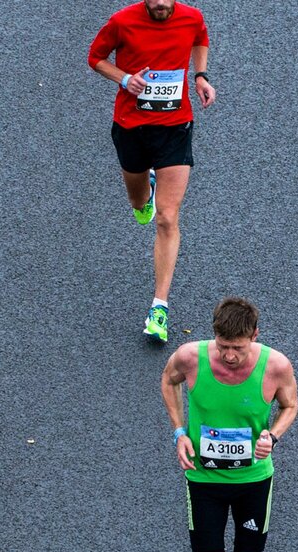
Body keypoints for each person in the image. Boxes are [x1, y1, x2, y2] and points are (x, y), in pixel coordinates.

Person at [160, 298, 298, 552]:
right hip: (204, 479)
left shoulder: (276, 367)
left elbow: (290, 405)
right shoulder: (190, 358)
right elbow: (168, 380)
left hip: (253, 481)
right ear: (214, 336)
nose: (230, 356)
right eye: (223, 347)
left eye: (237, 347)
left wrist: (273, 436)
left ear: (254, 336)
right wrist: (179, 431)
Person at [88, 0, 217, 342]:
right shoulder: (121, 21)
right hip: (131, 126)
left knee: (167, 218)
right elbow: (95, 58)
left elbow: (200, 37)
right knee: (139, 201)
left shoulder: (191, 17)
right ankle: (144, 193)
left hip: (174, 127)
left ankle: (159, 308)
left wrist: (201, 75)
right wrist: (125, 78)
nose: (161, 4)